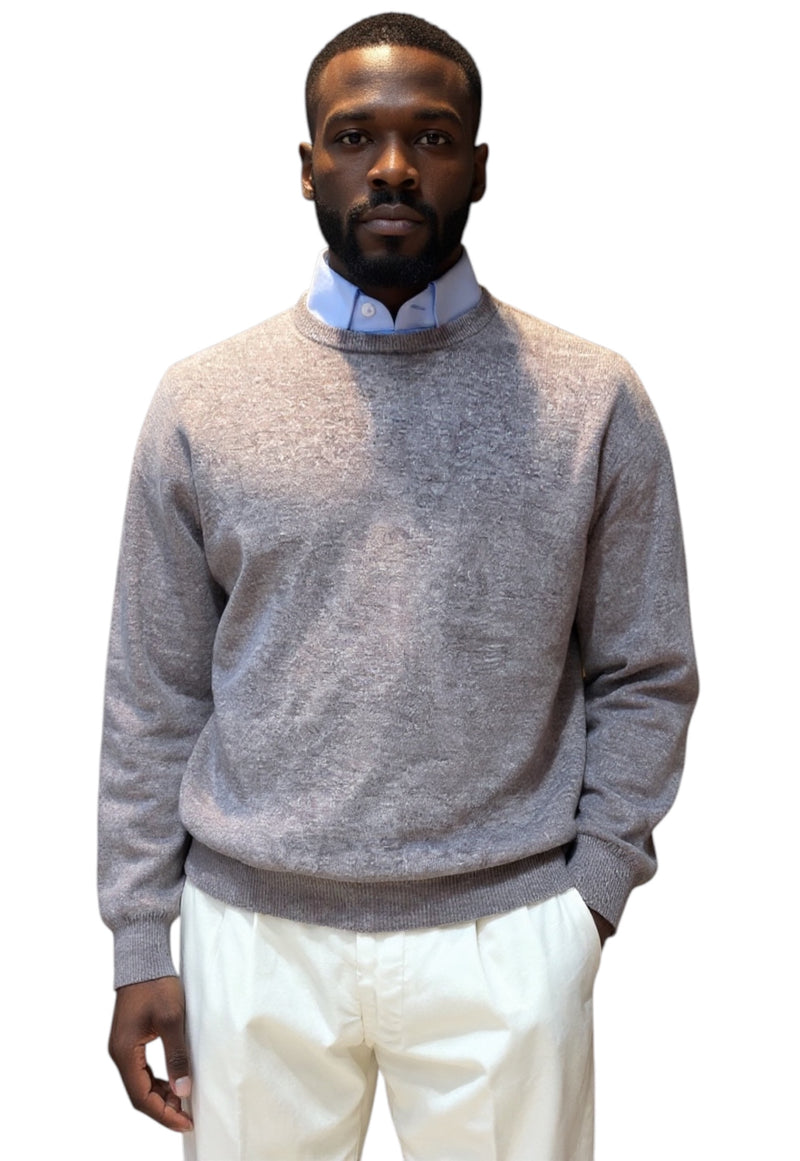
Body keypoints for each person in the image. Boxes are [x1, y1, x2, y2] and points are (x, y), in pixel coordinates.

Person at [99, 13, 698, 1160]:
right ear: (306, 167)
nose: (390, 167)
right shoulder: (202, 401)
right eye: (352, 136)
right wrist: (139, 939)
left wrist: (590, 898)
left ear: (477, 164)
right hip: (251, 936)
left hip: (504, 932)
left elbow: (646, 669)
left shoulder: (591, 400)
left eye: (430, 137)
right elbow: (153, 691)